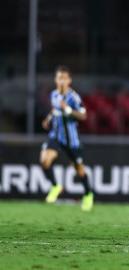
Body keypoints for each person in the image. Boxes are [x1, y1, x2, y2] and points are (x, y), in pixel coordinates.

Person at [40, 65, 94, 211]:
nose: (61, 81)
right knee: (45, 160)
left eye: (64, 78)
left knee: (79, 170)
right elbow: (54, 109)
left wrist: (68, 109)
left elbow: (83, 115)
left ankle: (88, 194)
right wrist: (48, 118)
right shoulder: (54, 95)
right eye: (59, 78)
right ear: (55, 80)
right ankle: (56, 186)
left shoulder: (73, 97)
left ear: (69, 80)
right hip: (56, 136)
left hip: (71, 140)